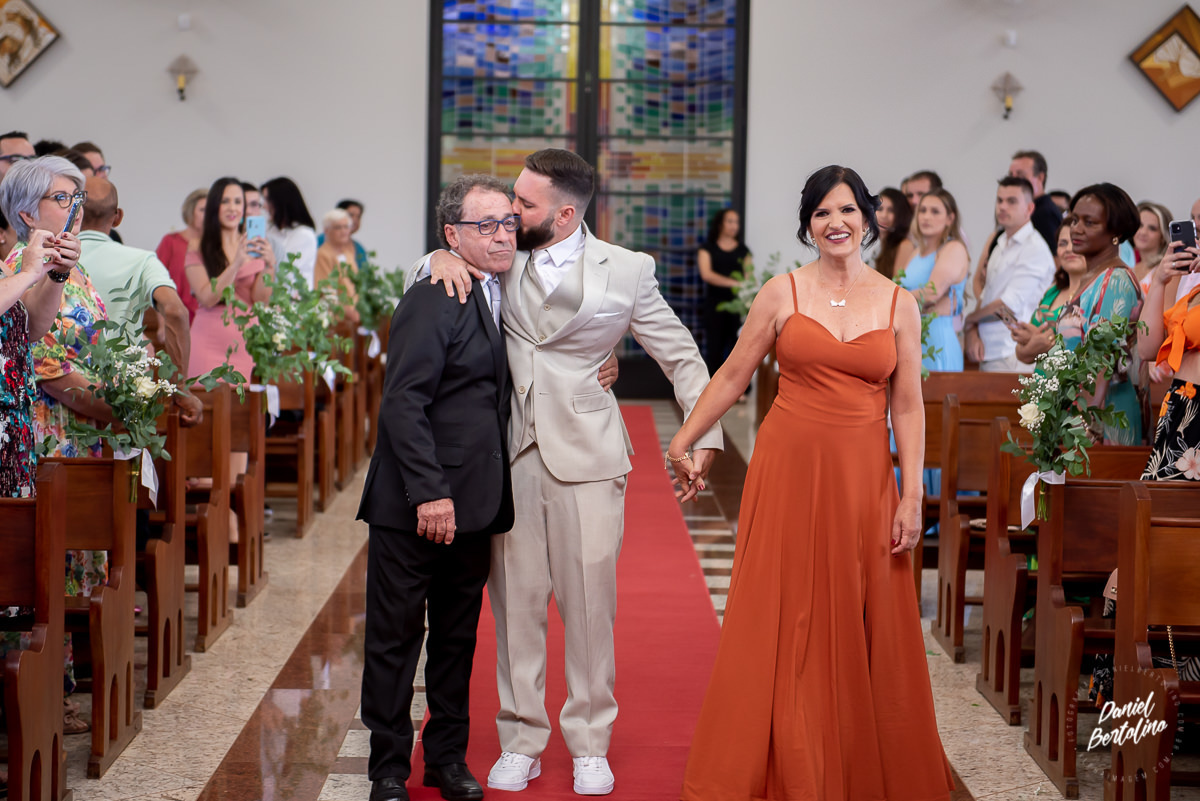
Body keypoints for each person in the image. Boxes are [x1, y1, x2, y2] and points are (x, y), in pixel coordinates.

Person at [424, 148, 721, 796]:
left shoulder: (628, 270)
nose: (509, 212)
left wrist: (702, 435)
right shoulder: (500, 253)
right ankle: (521, 739)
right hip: (510, 453)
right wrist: (437, 257)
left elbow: (681, 356)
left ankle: (590, 742)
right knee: (516, 605)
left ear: (563, 214)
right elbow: (446, 261)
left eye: (523, 204)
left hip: (589, 457)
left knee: (590, 607)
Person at [669, 165, 953, 801]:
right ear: (808, 226)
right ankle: (785, 751)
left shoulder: (899, 303)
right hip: (788, 468)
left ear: (869, 219)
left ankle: (853, 756)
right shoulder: (782, 293)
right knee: (785, 608)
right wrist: (685, 438)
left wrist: (911, 494)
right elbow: (733, 374)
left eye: (847, 210)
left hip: (863, 478)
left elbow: (908, 406)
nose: (836, 223)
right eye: (822, 213)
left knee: (861, 608)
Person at [357, 175, 519, 801]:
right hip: (414, 502)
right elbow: (403, 402)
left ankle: (448, 759)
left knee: (456, 639)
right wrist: (430, 492)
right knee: (396, 638)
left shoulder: (498, 284)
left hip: (475, 501)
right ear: (453, 234)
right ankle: (388, 768)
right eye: (486, 225)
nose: (502, 234)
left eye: (508, 222)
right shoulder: (434, 295)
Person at [1, 156, 115, 736]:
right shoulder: (12, 265)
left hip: (42, 434)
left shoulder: (57, 266)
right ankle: (28, 694)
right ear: (27, 213)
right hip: (42, 427)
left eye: (76, 198)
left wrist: (58, 275)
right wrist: (33, 266)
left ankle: (46, 688)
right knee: (28, 564)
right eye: (61, 198)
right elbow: (41, 357)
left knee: (49, 566)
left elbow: (38, 327)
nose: (74, 208)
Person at [77, 177, 202, 423]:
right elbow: (176, 311)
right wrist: (178, 388)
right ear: (117, 217)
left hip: (67, 389)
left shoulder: (52, 256)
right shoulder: (142, 261)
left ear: (75, 212)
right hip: (122, 397)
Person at [1056, 183, 1145, 445]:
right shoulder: (1093, 278)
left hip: (1102, 418)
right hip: (1080, 410)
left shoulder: (1116, 280)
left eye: (1090, 222)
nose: (1076, 229)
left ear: (1115, 232)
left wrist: (1084, 428)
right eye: (1074, 220)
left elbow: (1101, 360)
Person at [185, 177, 275, 379]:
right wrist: (236, 264)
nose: (232, 208)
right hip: (208, 342)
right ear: (214, 206)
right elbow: (207, 297)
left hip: (246, 343)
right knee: (207, 397)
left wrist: (270, 266)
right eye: (225, 201)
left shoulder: (253, 243)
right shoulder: (198, 246)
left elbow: (260, 300)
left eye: (237, 202)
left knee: (247, 398)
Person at [964, 176, 1056, 373]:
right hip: (990, 349)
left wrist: (970, 319)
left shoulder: (1034, 248)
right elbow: (986, 297)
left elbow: (1006, 308)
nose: (1003, 207)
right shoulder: (1001, 243)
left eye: (1011, 201)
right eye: (1000, 200)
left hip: (1013, 352)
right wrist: (972, 329)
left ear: (1029, 208)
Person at [893, 188, 968, 371]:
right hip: (910, 340)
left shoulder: (954, 248)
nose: (926, 217)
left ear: (950, 218)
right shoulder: (916, 252)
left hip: (937, 340)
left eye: (935, 212)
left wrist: (891, 300)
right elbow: (899, 288)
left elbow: (931, 293)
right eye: (923, 210)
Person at [1012, 222, 1087, 364]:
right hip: (1041, 376)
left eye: (1075, 242)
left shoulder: (1096, 292)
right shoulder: (1052, 291)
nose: (1069, 249)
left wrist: (1045, 345)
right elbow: (1022, 354)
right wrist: (1032, 343)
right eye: (1063, 243)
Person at [697, 208, 751, 379]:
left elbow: (749, 277)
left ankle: (740, 387)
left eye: (736, 222)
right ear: (720, 223)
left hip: (737, 307)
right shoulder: (707, 248)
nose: (734, 226)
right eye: (730, 221)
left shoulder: (743, 250)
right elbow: (707, 274)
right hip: (715, 306)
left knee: (738, 348)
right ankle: (712, 385)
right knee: (714, 348)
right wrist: (735, 283)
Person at [155, 188, 207, 324]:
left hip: (206, 319)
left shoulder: (216, 246)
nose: (207, 215)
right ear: (190, 212)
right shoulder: (171, 242)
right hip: (176, 319)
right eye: (202, 210)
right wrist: (162, 322)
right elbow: (157, 283)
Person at [261, 176, 318, 288]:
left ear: (280, 201)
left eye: (267, 200)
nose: (264, 206)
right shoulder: (271, 230)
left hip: (292, 295)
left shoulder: (303, 235)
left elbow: (287, 272)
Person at [1007, 149, 1062, 250]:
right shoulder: (1022, 213)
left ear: (1040, 177)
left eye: (1021, 175)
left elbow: (1054, 256)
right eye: (1011, 175)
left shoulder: (1045, 214)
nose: (1013, 181)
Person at [314, 208, 360, 327]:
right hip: (335, 320)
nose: (343, 231)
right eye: (338, 227)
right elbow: (326, 292)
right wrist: (349, 312)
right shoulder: (323, 254)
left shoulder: (348, 253)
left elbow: (356, 284)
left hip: (354, 316)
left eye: (346, 227)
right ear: (326, 231)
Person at [870, 186, 912, 279]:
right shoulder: (877, 245)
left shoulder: (904, 245)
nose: (884, 215)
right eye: (880, 209)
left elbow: (898, 283)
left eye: (891, 210)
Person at [1132, 202, 1174, 295]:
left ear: (1163, 236)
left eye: (1152, 228)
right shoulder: (1130, 269)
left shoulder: (1166, 270)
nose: (1143, 232)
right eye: (1140, 225)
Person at [317, 198, 370, 269]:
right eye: (351, 215)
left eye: (358, 217)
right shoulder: (320, 242)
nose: (355, 220)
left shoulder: (359, 248)